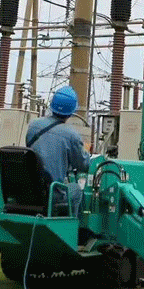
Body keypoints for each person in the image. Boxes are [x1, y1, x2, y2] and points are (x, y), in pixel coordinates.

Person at [25, 86, 90, 217]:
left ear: (52, 104)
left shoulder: (33, 126)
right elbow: (83, 165)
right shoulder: (72, 135)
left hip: (30, 191)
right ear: (72, 111)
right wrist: (86, 152)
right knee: (76, 190)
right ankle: (70, 232)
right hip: (52, 193)